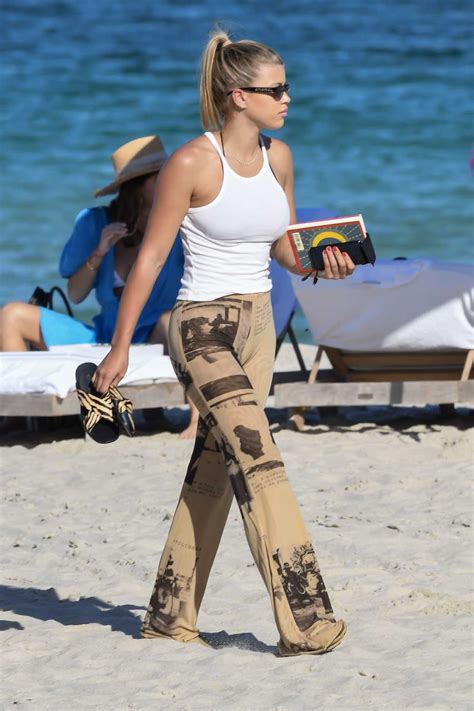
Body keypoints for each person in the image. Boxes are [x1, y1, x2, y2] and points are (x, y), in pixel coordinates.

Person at [93, 31, 356, 656]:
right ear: (239, 95)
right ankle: (307, 620)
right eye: (276, 89)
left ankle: (168, 614)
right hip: (202, 327)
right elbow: (152, 257)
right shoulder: (191, 162)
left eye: (287, 86)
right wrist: (121, 346)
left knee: (215, 469)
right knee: (260, 463)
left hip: (258, 327)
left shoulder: (279, 157)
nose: (288, 97)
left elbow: (283, 247)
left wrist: (323, 262)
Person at [0, 136, 199, 438]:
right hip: (102, 336)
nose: (171, 182)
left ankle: (197, 418)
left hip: (153, 334)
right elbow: (76, 295)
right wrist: (99, 251)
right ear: (137, 186)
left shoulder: (180, 222)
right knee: (12, 314)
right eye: (161, 177)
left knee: (173, 319)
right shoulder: (95, 222)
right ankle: (19, 415)